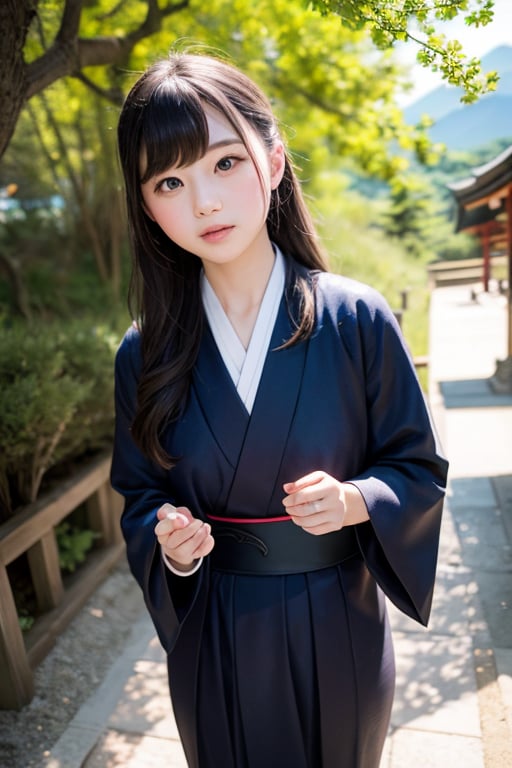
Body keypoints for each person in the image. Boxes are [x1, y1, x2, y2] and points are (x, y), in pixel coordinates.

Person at [111, 51, 448, 768]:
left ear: (273, 158)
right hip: (214, 633)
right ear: (146, 203)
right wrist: (166, 538)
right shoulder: (143, 353)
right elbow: (140, 496)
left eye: (225, 164)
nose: (203, 201)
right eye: (170, 180)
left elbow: (416, 467)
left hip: (338, 619)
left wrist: (358, 499)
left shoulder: (356, 317)